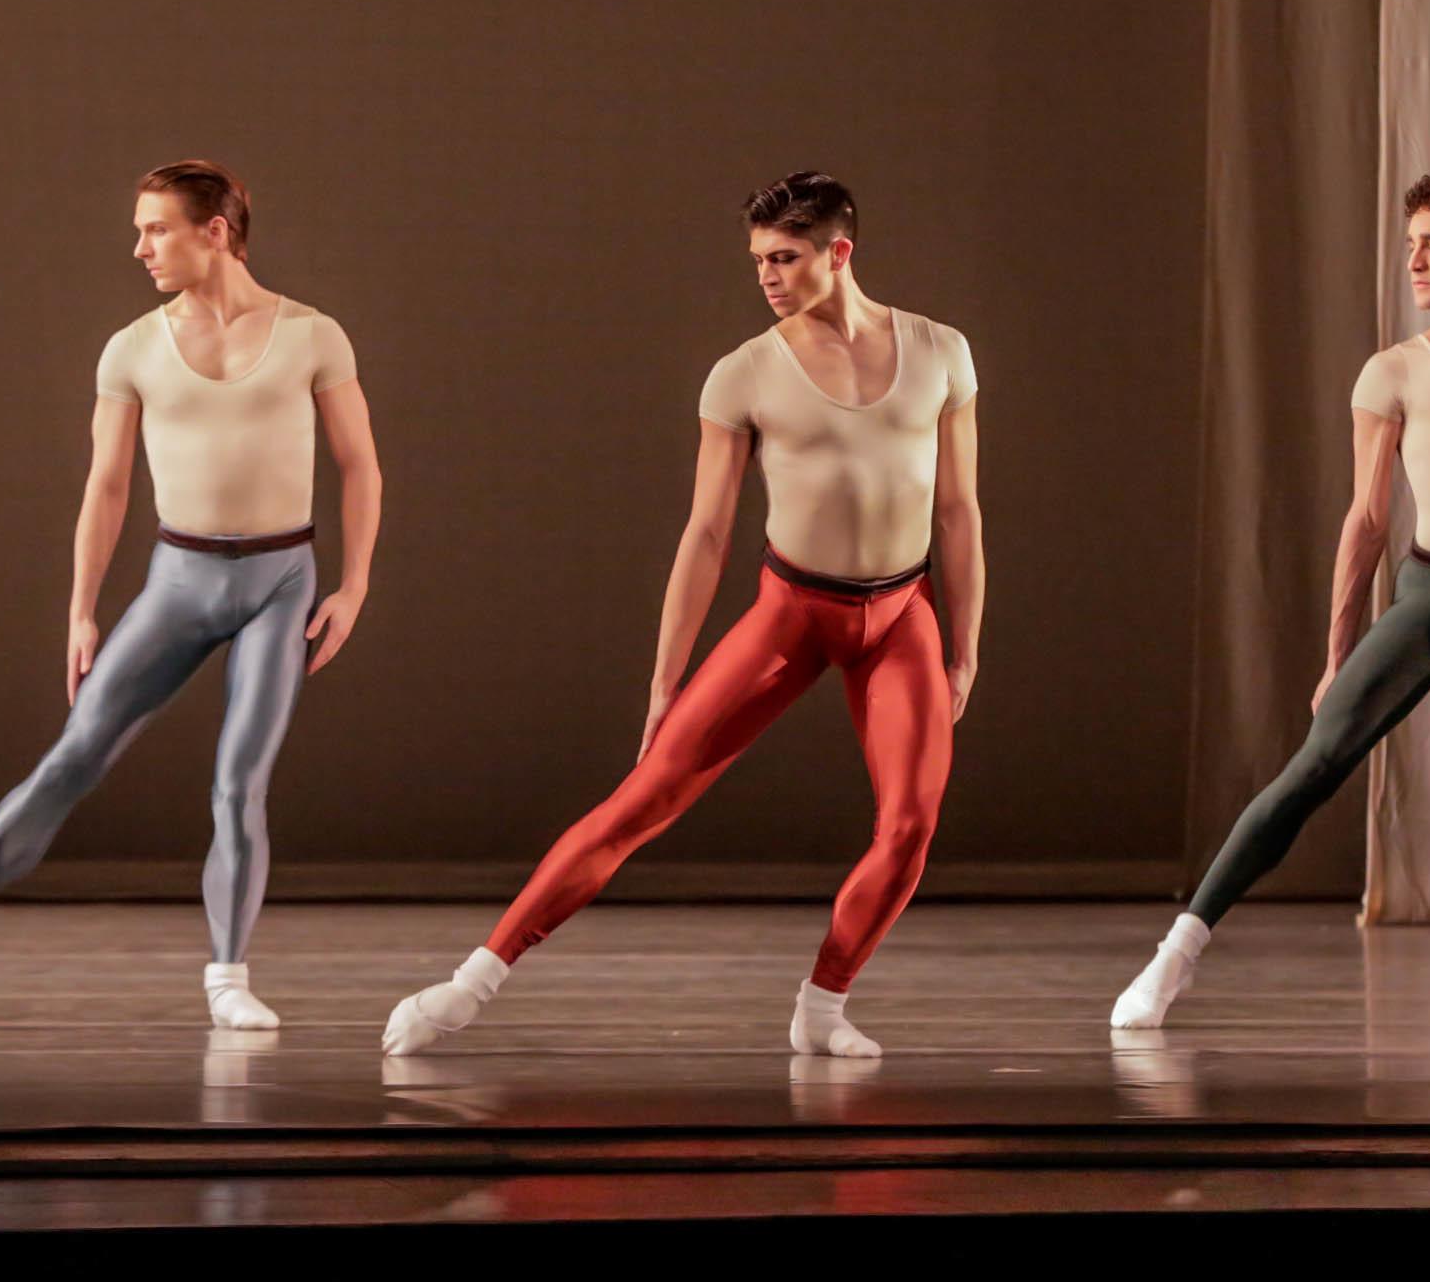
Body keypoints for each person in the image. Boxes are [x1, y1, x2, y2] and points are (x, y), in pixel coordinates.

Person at [381, 172, 983, 1059]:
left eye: (785, 258)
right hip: (794, 613)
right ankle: (470, 983)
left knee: (910, 824)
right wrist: (667, 679)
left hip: (900, 614)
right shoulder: (743, 374)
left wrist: (965, 649)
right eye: (758, 261)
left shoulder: (940, 352)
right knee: (644, 799)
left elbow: (960, 511)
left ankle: (823, 1006)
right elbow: (705, 535)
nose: (767, 276)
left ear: (838, 253)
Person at [0, 159, 381, 1032]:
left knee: (238, 783)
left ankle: (227, 976)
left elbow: (359, 464)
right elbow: (106, 488)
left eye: (157, 229)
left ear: (214, 231)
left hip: (281, 582)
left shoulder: (313, 336)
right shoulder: (132, 348)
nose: (139, 247)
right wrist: (80, 610)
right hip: (179, 581)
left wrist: (356, 586)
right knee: (71, 759)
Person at [1114, 171, 1430, 1033]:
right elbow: (1368, 521)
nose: (1413, 260)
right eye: (1411, 243)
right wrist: (1339, 651)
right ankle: (1174, 957)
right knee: (1313, 770)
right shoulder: (1395, 373)